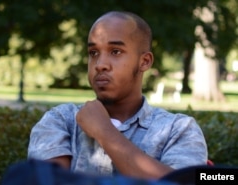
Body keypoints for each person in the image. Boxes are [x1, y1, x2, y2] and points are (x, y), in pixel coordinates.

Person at [28, 11, 208, 180]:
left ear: (144, 62)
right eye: (93, 53)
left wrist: (104, 132)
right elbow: (47, 182)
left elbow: (181, 183)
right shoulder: (61, 120)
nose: (100, 64)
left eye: (115, 51)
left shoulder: (178, 129)